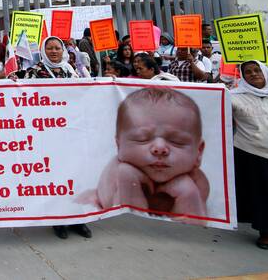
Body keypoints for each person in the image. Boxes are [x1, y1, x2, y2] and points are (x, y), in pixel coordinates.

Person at [91, 88, 208, 216]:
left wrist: (189, 195)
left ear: (199, 152)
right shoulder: (121, 171)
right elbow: (124, 218)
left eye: (177, 141)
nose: (159, 149)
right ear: (119, 146)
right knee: (125, 172)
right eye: (142, 139)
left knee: (188, 187)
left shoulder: (196, 180)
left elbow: (197, 221)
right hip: (124, 219)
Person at [22, 37, 89, 239]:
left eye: (57, 48)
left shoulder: (70, 71)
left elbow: (84, 95)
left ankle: (78, 219)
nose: (53, 52)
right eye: (49, 48)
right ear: (43, 51)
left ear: (63, 50)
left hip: (71, 132)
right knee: (54, 177)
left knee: (75, 175)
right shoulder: (34, 72)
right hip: (48, 134)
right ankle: (57, 220)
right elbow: (21, 93)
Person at [231, 61, 268, 249]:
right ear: (243, 77)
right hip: (252, 152)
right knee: (261, 194)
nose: (253, 74)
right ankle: (265, 232)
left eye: (257, 70)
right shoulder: (234, 97)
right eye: (248, 72)